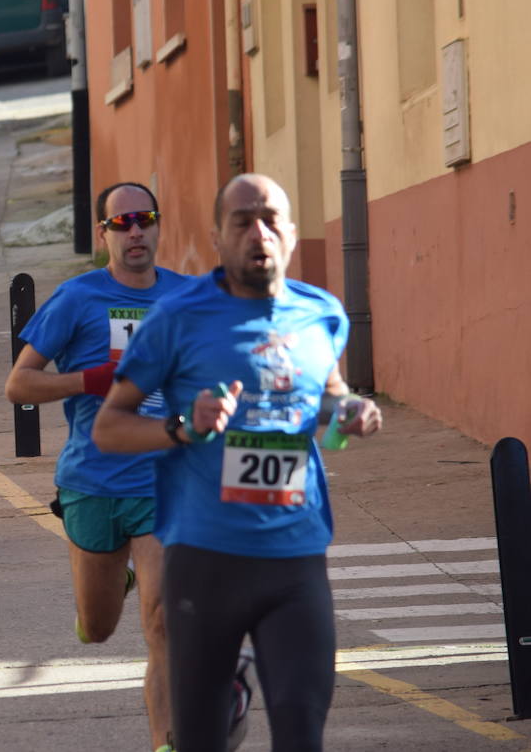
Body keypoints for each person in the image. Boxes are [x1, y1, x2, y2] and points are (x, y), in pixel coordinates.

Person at [93, 173, 383, 752]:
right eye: (242, 220)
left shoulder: (322, 314)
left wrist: (349, 411)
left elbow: (329, 392)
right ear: (217, 238)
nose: (259, 231)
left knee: (302, 734)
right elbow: (109, 427)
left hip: (295, 561)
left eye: (270, 218)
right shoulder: (178, 318)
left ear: (292, 234)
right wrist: (182, 427)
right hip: (205, 563)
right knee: (200, 740)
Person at [4, 182, 190, 752]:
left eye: (145, 219)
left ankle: (167, 742)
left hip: (166, 480)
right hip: (92, 481)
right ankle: (114, 583)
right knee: (99, 626)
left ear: (159, 226)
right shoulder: (76, 298)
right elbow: (19, 384)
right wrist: (88, 380)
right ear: (104, 233)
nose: (136, 231)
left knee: (163, 623)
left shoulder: (190, 298)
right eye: (123, 222)